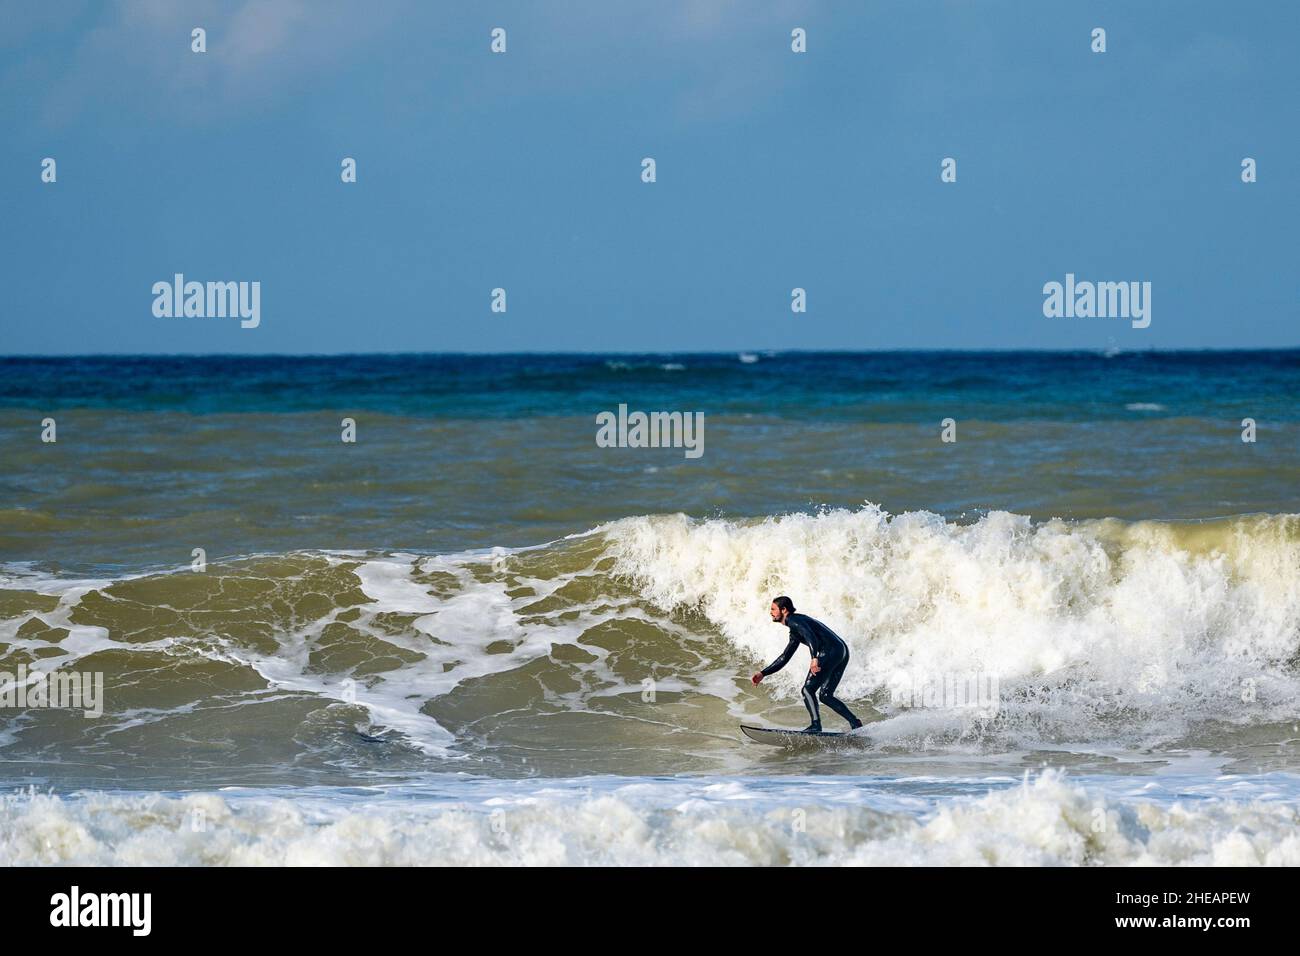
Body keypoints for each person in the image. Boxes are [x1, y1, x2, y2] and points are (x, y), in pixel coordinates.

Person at [751, 596, 863, 733]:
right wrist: (763, 673)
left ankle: (816, 725)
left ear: (784, 610)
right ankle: (855, 723)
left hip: (829, 651)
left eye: (773, 609)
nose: (771, 612)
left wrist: (814, 658)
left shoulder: (794, 620)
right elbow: (785, 657)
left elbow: (811, 636)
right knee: (826, 695)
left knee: (807, 689)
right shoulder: (796, 629)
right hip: (841, 650)